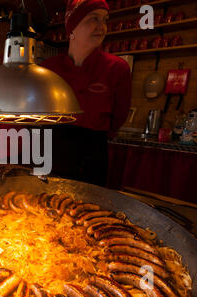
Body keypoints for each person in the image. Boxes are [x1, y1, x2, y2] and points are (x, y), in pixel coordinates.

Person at [40, 0, 132, 186]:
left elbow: (119, 116)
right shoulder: (47, 69)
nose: (101, 27)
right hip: (52, 148)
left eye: (104, 20)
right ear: (72, 28)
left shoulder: (117, 68)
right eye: (93, 19)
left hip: (93, 152)